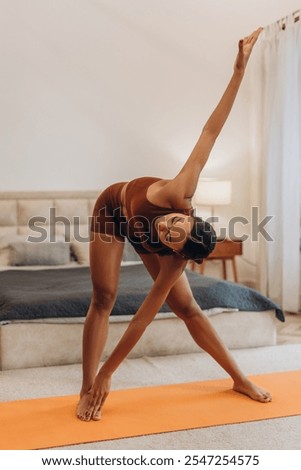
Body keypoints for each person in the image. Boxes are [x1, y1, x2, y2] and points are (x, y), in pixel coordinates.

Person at [77, 27, 271, 422]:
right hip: (113, 213)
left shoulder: (174, 259)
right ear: (185, 216)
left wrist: (110, 372)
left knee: (187, 308)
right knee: (103, 297)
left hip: (144, 236)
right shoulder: (178, 193)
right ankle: (85, 388)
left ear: (179, 255)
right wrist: (238, 72)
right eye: (172, 227)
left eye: (171, 240)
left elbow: (142, 319)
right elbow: (211, 131)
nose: (167, 230)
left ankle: (239, 378)